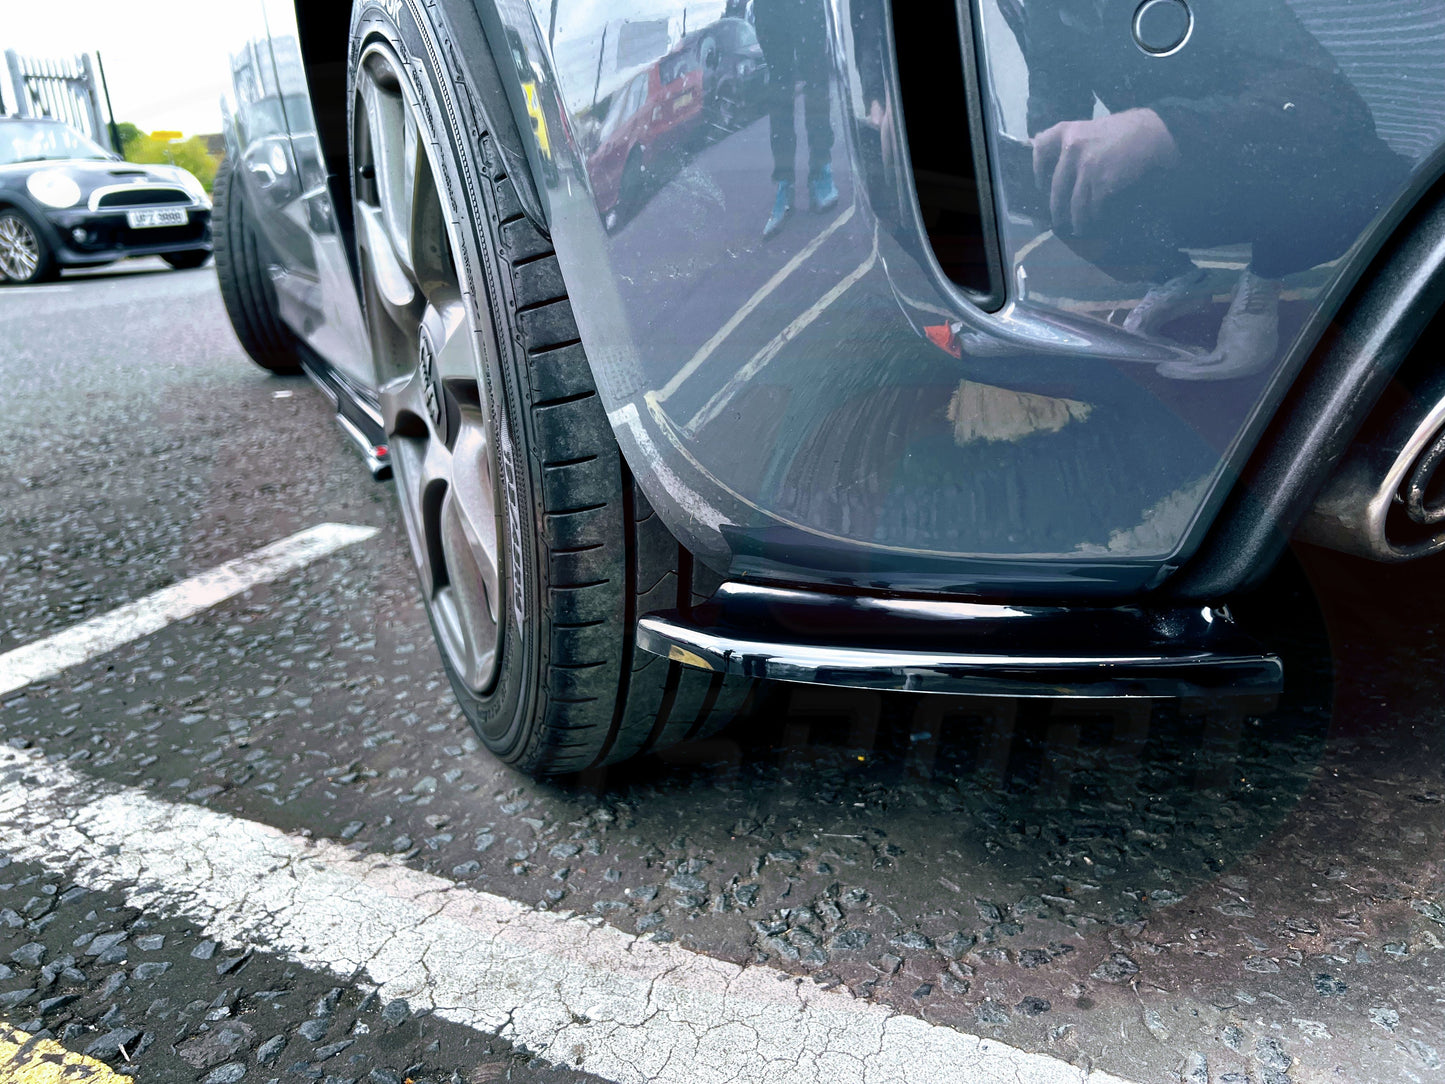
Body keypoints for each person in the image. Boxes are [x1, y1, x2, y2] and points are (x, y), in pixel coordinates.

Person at [1023, 0, 1406, 379]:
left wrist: (1161, 128)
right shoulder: (1047, 9)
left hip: (1277, 168)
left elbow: (1331, 103)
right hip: (1191, 179)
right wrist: (1041, 151)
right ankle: (1175, 279)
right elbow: (1054, 99)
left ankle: (1265, 281)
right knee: (1051, 184)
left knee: (1369, 174)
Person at [754, 0, 838, 238]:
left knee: (814, 80)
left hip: (803, 6)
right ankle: (787, 181)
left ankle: (819, 169)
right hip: (770, 8)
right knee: (781, 90)